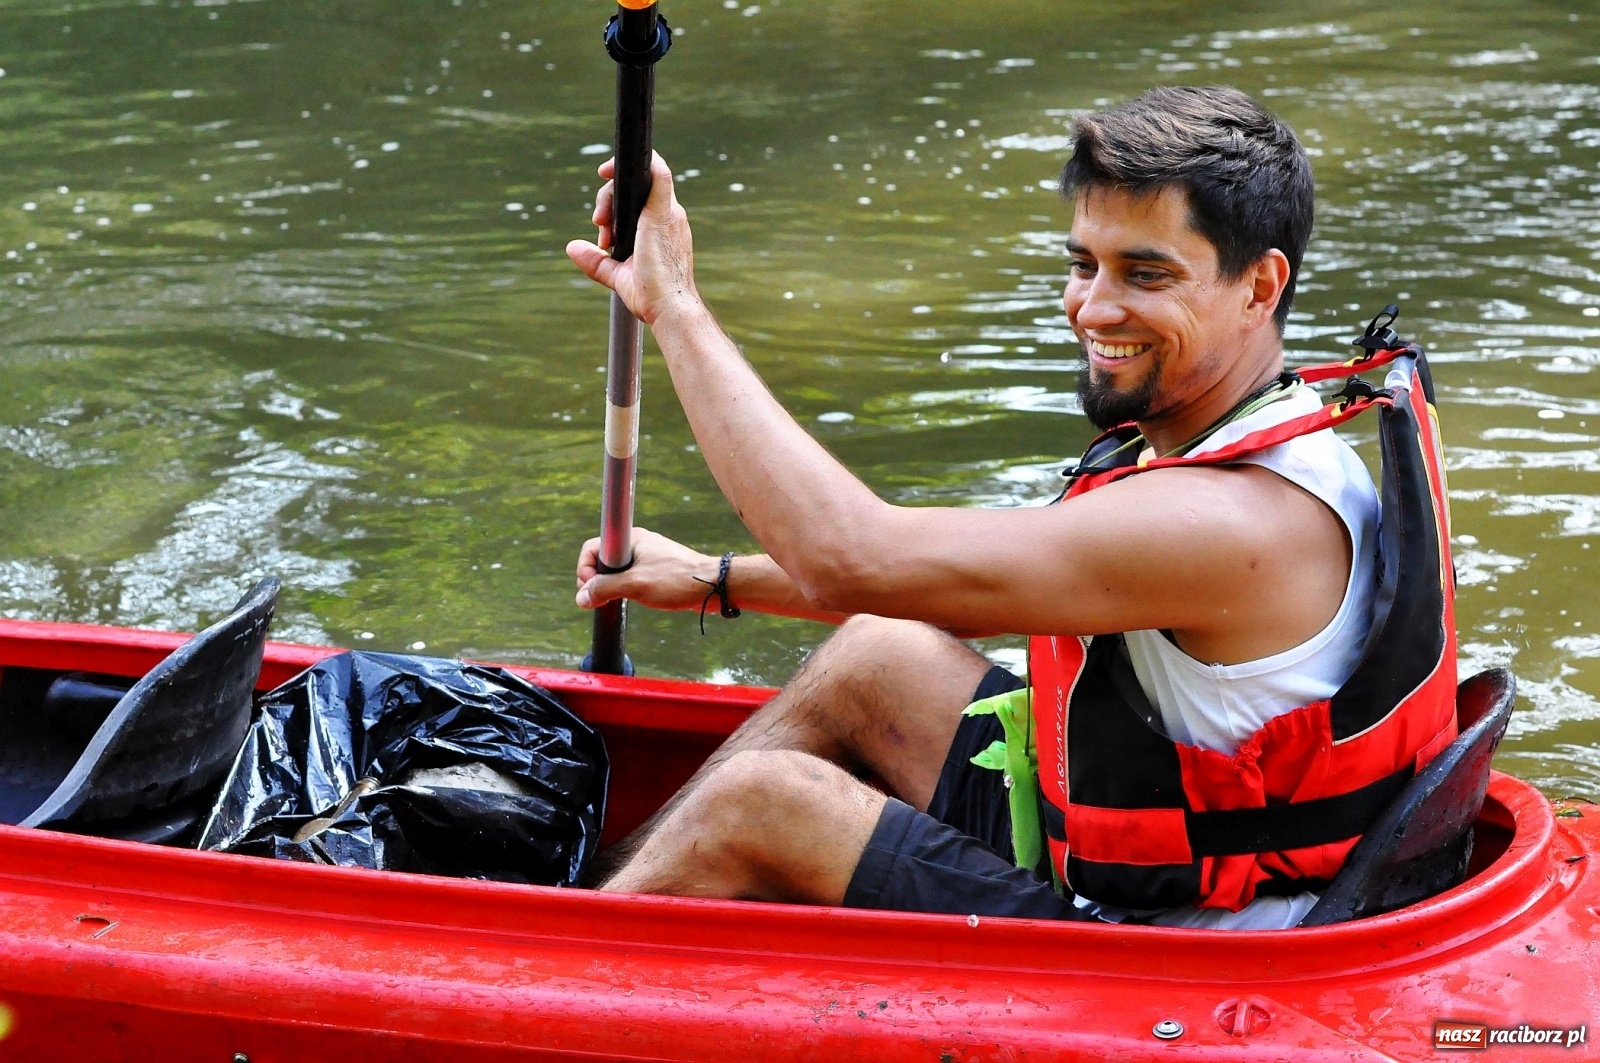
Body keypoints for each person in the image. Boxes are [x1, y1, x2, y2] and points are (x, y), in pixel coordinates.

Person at [564, 85, 1454, 929]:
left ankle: (543, 968)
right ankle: (608, 896)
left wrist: (673, 303)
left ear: (1260, 287)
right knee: (878, 652)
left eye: (1145, 273)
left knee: (758, 805)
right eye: (1083, 263)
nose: (1093, 307)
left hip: (1174, 952)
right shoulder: (1246, 434)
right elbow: (950, 584)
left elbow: (852, 555)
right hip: (1143, 848)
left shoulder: (1234, 522)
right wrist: (713, 579)